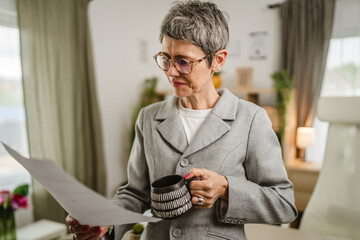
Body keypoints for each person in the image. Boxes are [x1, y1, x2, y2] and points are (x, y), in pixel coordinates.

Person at [66, 1, 298, 239]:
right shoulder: (148, 117)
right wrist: (104, 222)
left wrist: (226, 188)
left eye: (184, 62)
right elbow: (135, 194)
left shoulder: (251, 119)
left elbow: (283, 203)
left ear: (218, 60)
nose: (171, 72)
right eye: (166, 58)